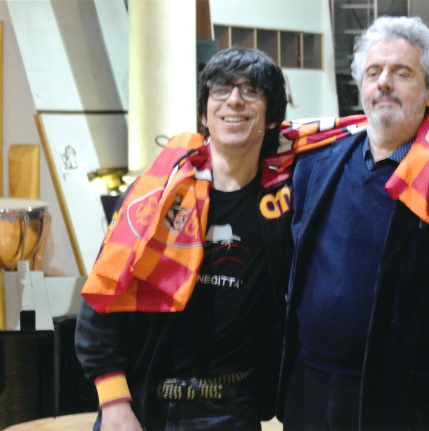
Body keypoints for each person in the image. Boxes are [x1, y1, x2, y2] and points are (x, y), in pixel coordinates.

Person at [277, 16, 429, 431]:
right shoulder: (313, 167)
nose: (384, 82)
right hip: (308, 393)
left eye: (401, 72)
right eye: (373, 72)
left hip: (400, 404)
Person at [75, 47, 292, 431]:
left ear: (272, 117)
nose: (234, 100)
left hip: (233, 413)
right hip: (146, 406)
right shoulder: (157, 194)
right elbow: (101, 301)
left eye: (251, 90)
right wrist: (114, 402)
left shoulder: (284, 208)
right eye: (221, 89)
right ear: (204, 114)